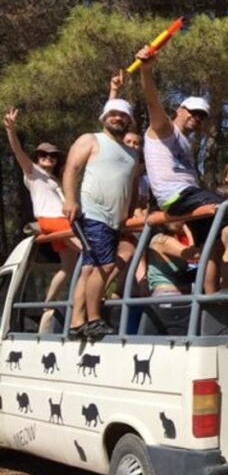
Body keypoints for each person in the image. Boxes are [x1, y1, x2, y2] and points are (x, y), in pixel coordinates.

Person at [137, 48, 228, 294]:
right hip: (177, 196)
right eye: (193, 112)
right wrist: (146, 71)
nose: (197, 118)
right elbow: (152, 102)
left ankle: (210, 299)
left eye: (201, 116)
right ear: (179, 110)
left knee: (212, 246)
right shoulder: (164, 129)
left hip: (188, 195)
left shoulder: (187, 144)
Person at [62, 98, 140, 339]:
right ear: (104, 117)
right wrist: (70, 200)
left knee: (89, 268)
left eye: (123, 115)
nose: (118, 118)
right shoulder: (91, 139)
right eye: (113, 113)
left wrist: (130, 214)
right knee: (104, 265)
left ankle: (76, 323)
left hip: (116, 220)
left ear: (129, 120)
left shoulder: (132, 154)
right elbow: (71, 168)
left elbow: (132, 187)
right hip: (93, 213)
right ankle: (94, 319)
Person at [4, 107, 80, 305]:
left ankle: (48, 306)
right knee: (90, 251)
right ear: (37, 158)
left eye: (53, 156)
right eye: (44, 155)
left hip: (64, 221)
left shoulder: (55, 179)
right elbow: (18, 152)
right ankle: (91, 296)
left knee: (68, 268)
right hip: (52, 221)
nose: (48, 158)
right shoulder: (32, 172)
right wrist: (11, 130)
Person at [147, 223, 199, 296]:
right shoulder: (161, 240)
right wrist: (189, 233)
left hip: (181, 292)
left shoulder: (175, 239)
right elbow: (192, 255)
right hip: (168, 293)